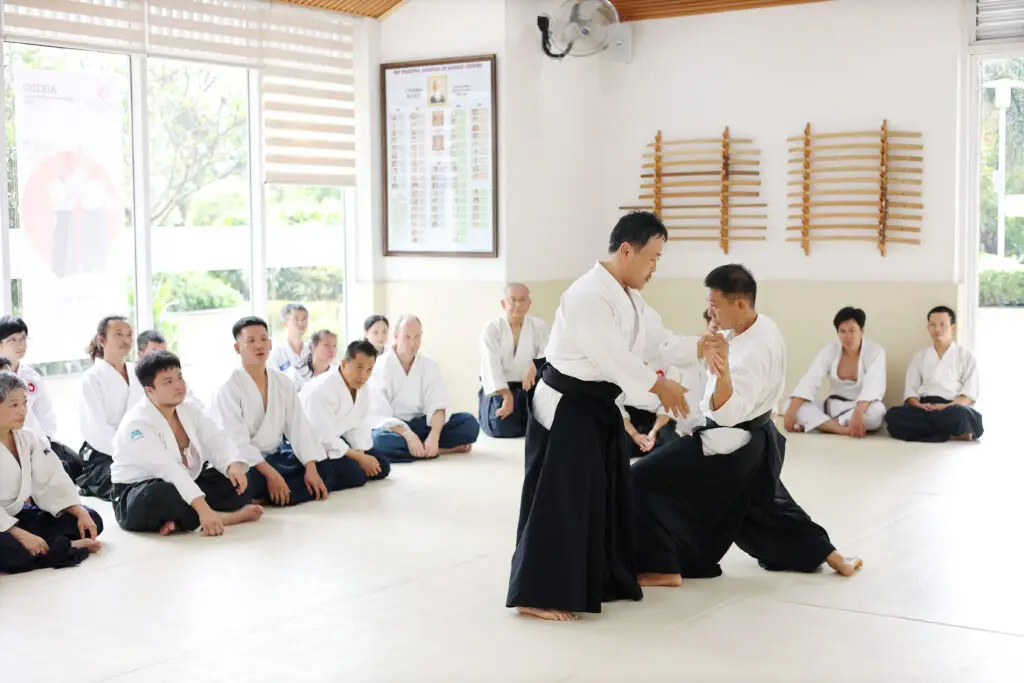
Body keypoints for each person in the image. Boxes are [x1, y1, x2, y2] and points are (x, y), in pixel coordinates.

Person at [507, 211, 693, 622]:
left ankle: (605, 576)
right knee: (561, 500)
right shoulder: (586, 295)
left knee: (606, 494)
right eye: (652, 258)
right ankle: (534, 592)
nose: (655, 268)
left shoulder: (632, 299)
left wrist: (702, 348)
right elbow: (613, 358)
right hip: (568, 405)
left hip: (597, 406)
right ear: (627, 250)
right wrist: (660, 387)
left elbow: (661, 343)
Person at [632, 264, 861, 590]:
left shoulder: (753, 351)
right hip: (754, 441)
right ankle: (833, 556)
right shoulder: (759, 326)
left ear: (740, 303)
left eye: (715, 304)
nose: (710, 311)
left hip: (728, 443)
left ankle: (662, 566)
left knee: (641, 479)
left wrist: (721, 372)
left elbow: (725, 414)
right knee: (762, 510)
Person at [210, 317, 365, 506]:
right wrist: (272, 476)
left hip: (277, 456)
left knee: (333, 470)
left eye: (263, 339)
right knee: (240, 485)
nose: (259, 345)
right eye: (251, 341)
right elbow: (238, 444)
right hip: (248, 464)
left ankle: (269, 497)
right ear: (237, 348)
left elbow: (298, 426)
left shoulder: (282, 382)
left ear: (270, 344)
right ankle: (273, 493)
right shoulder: (228, 388)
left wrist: (310, 467)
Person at [111, 351, 263, 535]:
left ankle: (179, 520)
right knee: (160, 496)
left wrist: (232, 464)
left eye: (180, 377)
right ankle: (220, 517)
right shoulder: (136, 424)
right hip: (136, 492)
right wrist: (203, 509)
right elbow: (168, 468)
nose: (178, 386)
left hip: (186, 480)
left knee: (238, 482)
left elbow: (216, 438)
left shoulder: (189, 409)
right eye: (168, 382)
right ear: (149, 390)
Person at [0, 371, 103, 574]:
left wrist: (79, 512)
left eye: (24, 403)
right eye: (14, 405)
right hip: (3, 526)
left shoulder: (28, 438)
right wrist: (17, 533)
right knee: (9, 550)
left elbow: (52, 479)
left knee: (92, 519)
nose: (23, 410)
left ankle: (44, 548)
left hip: (19, 514)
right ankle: (66, 548)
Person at [367, 315, 480, 463]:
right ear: (396, 336)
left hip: (422, 425)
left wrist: (434, 436)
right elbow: (378, 413)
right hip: (395, 429)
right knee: (378, 441)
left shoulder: (429, 366)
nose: (412, 343)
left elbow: (438, 403)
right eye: (407, 337)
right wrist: (408, 435)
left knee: (470, 423)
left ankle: (426, 447)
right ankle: (441, 450)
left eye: (417, 337)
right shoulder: (380, 366)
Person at [783, 307, 887, 437]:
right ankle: (841, 429)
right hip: (832, 407)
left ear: (862, 331)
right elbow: (810, 380)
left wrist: (858, 413)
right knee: (789, 405)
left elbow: (874, 385)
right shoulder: (830, 350)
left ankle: (824, 425)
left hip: (859, 409)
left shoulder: (875, 351)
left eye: (852, 331)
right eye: (842, 331)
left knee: (878, 412)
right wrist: (790, 413)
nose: (847, 336)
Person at [0, 316, 83, 479]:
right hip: (7, 441)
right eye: (13, 340)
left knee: (74, 465)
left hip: (35, 440)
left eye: (23, 338)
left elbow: (45, 415)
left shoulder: (31, 376)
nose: (20, 344)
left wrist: (42, 444)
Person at [885, 306, 983, 442]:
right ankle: (952, 432)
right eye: (933, 325)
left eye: (942, 325)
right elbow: (911, 392)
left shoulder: (966, 356)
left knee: (962, 414)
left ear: (953, 328)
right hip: (925, 407)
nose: (937, 329)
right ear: (928, 327)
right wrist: (919, 405)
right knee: (893, 415)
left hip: (951, 407)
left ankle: (931, 431)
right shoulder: (919, 357)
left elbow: (969, 394)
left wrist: (946, 406)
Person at [299, 339, 390, 483]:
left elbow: (360, 422)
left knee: (382, 466)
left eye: (369, 370)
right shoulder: (320, 389)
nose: (363, 375)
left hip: (339, 438)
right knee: (356, 474)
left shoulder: (362, 386)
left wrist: (360, 451)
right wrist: (360, 458)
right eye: (359, 367)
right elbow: (323, 435)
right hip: (312, 442)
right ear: (344, 364)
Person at [76, 315, 145, 501]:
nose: (126, 340)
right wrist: (128, 452)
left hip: (139, 445)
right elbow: (96, 429)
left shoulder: (138, 372)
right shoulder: (92, 377)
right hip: (105, 452)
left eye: (129, 334)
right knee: (132, 481)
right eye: (119, 334)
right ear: (101, 340)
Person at [478, 283, 550, 438]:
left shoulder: (540, 327)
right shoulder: (491, 329)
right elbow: (491, 366)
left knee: (543, 421)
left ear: (529, 303)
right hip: (500, 390)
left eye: (522, 300)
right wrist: (506, 395)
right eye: (512, 300)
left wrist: (534, 366)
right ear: (503, 303)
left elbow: (548, 356)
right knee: (500, 424)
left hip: (527, 389)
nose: (517, 305)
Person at [266, 303, 310, 373]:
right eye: (296, 319)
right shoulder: (276, 354)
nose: (301, 322)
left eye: (304, 318)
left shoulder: (313, 350)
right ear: (285, 323)